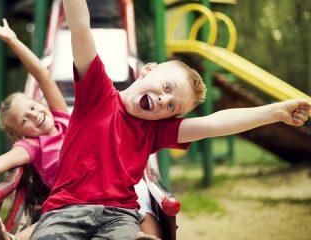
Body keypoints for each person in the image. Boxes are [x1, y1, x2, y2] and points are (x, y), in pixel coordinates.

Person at [28, 0, 311, 239]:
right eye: (166, 88)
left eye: (172, 105)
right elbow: (80, 27)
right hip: (67, 208)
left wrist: (276, 112)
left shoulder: (154, 131)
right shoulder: (97, 93)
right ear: (147, 70)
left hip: (119, 216)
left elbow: (217, 123)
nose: (164, 101)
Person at [0, 18, 163, 240]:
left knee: (144, 207)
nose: (34, 115)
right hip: (70, 202)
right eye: (24, 120)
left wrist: (13, 41)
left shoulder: (63, 118)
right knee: (48, 220)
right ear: (21, 134)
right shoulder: (32, 146)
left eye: (33, 107)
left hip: (113, 189)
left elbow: (41, 75)